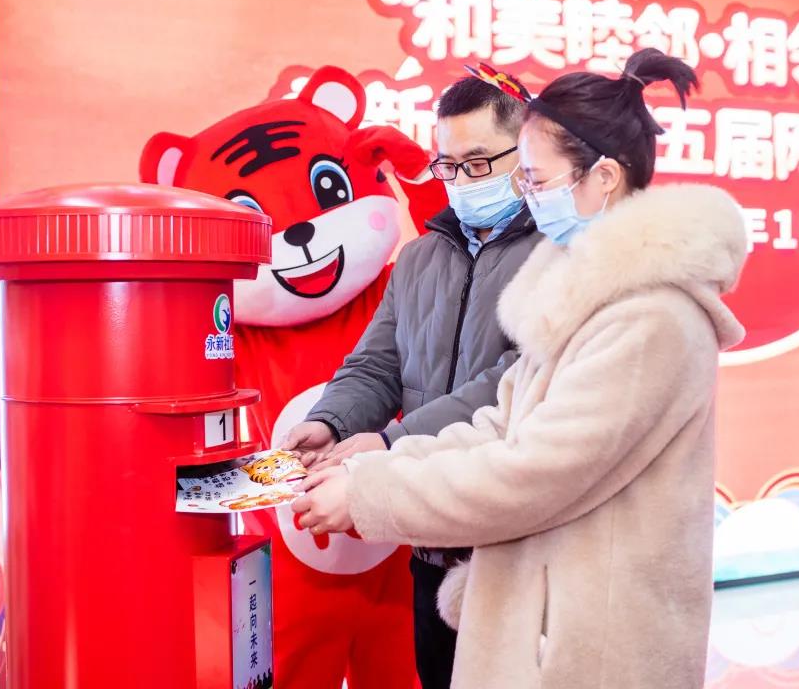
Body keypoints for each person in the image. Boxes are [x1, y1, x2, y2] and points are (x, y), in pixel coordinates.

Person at [293, 47, 749, 689]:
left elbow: (534, 472)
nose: (528, 197)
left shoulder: (651, 319)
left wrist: (373, 490)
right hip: (536, 603)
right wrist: (366, 466)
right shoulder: (576, 293)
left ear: (604, 177)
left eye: (534, 179)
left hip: (594, 636)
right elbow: (499, 422)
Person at [280, 71, 542, 689]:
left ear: (527, 151)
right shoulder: (420, 257)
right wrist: (330, 422)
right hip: (428, 539)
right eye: (448, 166)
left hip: (510, 538)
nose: (462, 182)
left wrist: (391, 443)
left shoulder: (555, 253)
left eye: (479, 163)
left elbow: (513, 382)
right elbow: (376, 364)